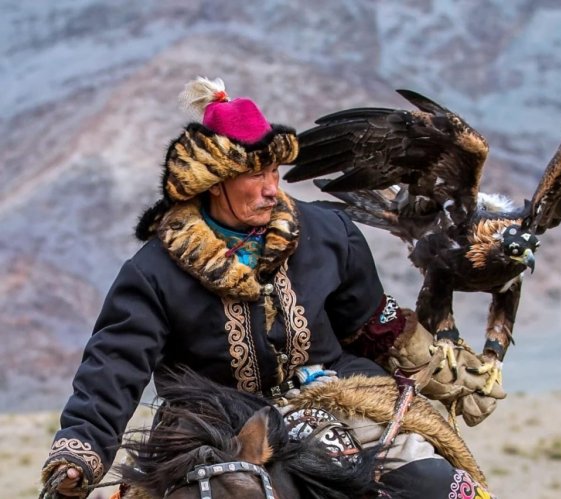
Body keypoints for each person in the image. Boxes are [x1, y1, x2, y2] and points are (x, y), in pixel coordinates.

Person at [40, 77, 499, 498]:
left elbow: (372, 324)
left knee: (441, 486)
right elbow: (113, 369)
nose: (271, 190)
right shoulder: (153, 273)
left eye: (275, 174)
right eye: (255, 176)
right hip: (212, 427)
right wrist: (79, 452)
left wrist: (446, 373)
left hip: (334, 401)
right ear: (214, 183)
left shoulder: (328, 233)